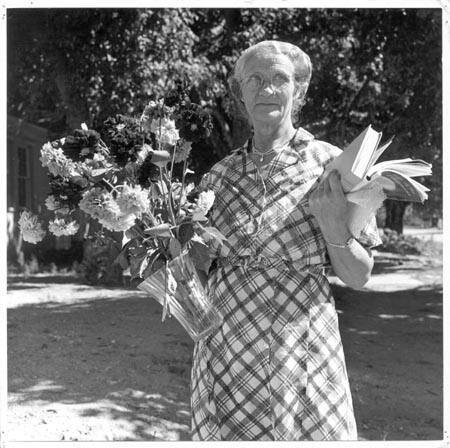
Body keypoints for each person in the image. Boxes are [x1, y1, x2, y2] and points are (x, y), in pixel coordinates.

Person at [191, 40, 382, 441]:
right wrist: (198, 255)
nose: (267, 89)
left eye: (280, 79)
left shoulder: (332, 166)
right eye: (255, 80)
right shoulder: (217, 177)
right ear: (239, 93)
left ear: (300, 90)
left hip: (301, 350)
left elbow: (360, 275)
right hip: (228, 351)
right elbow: (197, 272)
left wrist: (334, 229)